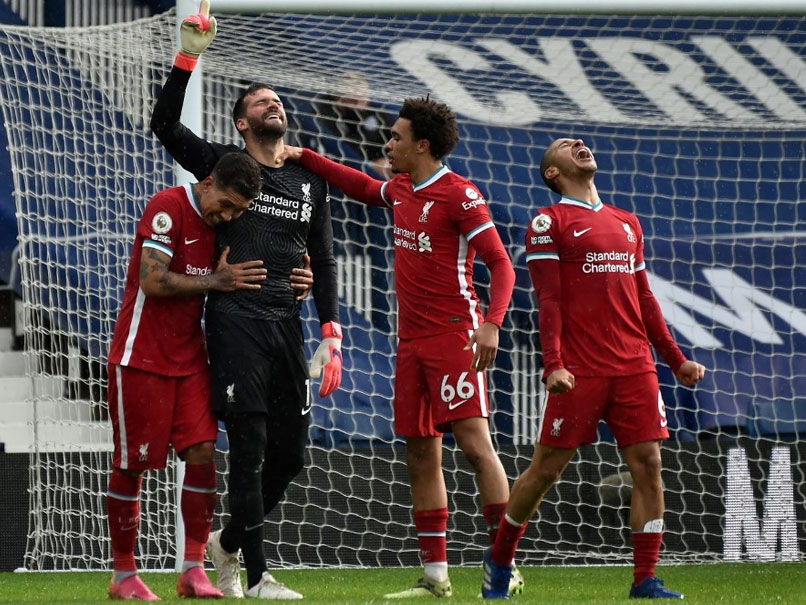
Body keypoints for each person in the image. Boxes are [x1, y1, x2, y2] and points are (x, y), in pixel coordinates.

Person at [281, 97, 522, 599]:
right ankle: (436, 578)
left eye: (395, 137)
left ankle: (504, 565)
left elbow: (502, 265)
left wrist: (492, 325)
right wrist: (305, 156)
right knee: (419, 452)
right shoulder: (404, 189)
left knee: (476, 445)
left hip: (457, 333)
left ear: (421, 145)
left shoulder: (461, 195)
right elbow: (365, 187)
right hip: (410, 342)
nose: (388, 143)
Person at [150, 2, 342, 599]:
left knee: (292, 456)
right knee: (252, 447)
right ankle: (256, 577)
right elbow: (164, 125)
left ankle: (228, 542)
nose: (272, 104)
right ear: (240, 123)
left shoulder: (308, 180)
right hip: (235, 322)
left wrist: (331, 329)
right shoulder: (220, 165)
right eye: (259, 101)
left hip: (289, 326)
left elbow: (324, 257)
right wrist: (187, 58)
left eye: (276, 100)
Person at [481, 137, 706, 600]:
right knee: (545, 471)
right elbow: (550, 300)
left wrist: (676, 359)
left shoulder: (627, 222)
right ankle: (500, 559)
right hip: (579, 370)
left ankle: (645, 579)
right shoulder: (549, 222)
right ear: (552, 172)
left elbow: (644, 299)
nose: (579, 144)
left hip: (635, 366)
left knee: (649, 465)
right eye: (565, 146)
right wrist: (554, 364)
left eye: (579, 142)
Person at [106, 152, 266, 601]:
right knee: (133, 465)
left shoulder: (222, 224)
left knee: (202, 455)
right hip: (141, 357)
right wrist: (215, 282)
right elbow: (152, 281)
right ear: (209, 182)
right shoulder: (167, 207)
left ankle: (193, 570)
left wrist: (302, 274)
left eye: (238, 211)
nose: (229, 216)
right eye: (227, 204)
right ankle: (123, 576)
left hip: (191, 360)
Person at [313, 71, 391, 179]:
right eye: (356, 100)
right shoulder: (325, 116)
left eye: (365, 97)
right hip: (354, 167)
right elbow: (344, 150)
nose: (363, 103)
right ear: (337, 98)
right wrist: (373, 165)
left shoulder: (376, 112)